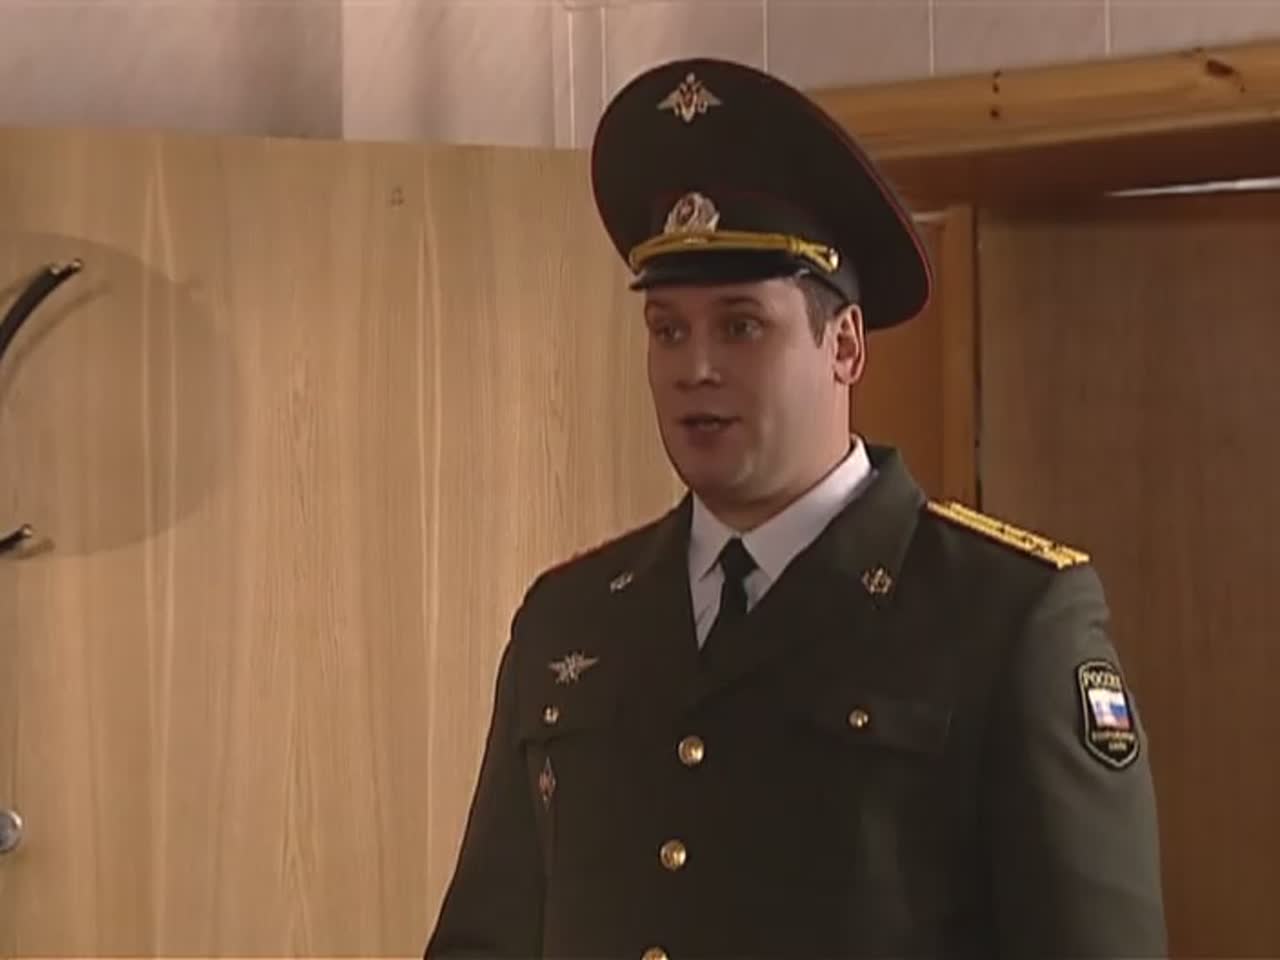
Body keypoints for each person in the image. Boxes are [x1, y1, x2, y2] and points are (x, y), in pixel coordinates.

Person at [424, 57, 1166, 960]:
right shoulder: (571, 618)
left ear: (844, 345)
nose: (695, 368)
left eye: (741, 326)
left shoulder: (1004, 617)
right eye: (668, 330)